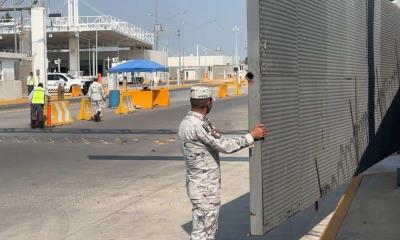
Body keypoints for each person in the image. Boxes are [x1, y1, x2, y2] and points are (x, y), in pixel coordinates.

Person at [178, 86, 267, 240]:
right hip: (205, 188)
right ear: (207, 103)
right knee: (205, 233)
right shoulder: (200, 125)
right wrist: (251, 136)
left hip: (198, 184)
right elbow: (226, 145)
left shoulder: (186, 122)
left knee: (202, 229)